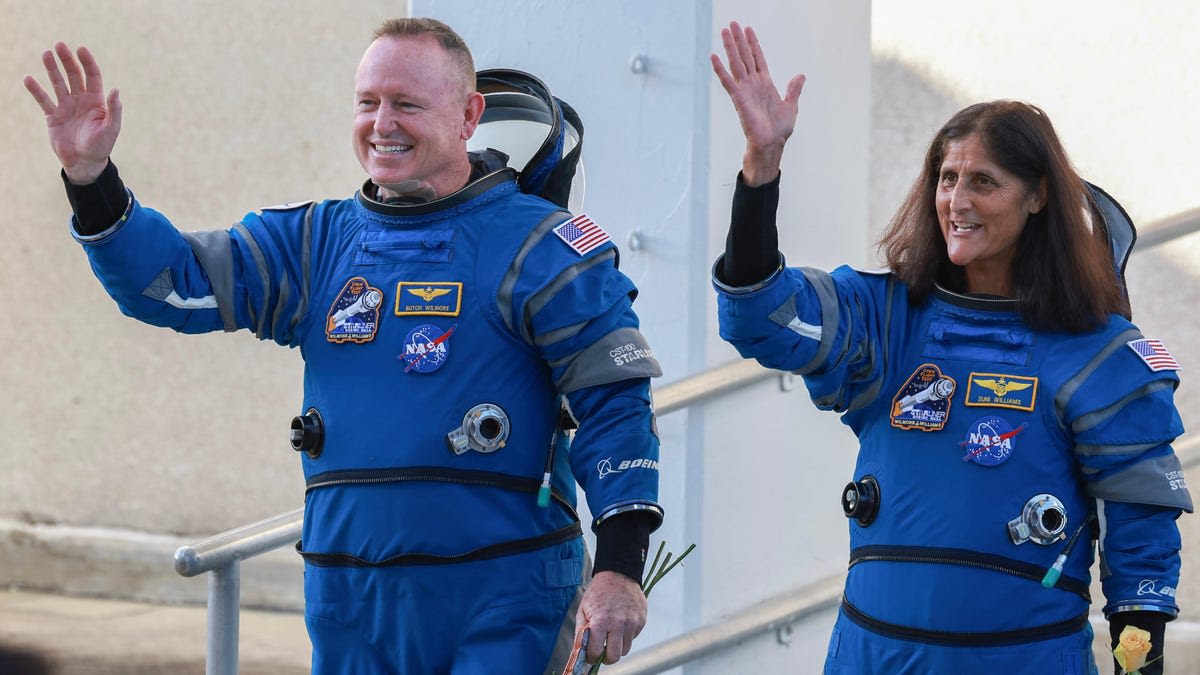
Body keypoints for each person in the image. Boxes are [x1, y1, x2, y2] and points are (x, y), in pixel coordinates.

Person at [25, 17, 663, 674]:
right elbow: (172, 284)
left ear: (469, 115)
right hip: (351, 602)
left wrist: (618, 568)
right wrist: (92, 177)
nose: (382, 123)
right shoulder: (316, 244)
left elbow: (615, 404)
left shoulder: (542, 247)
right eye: (368, 102)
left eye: (407, 104)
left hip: (507, 600)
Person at [709, 21, 1191, 675]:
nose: (956, 201)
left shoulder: (1097, 353)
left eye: (983, 182)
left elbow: (1142, 563)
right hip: (873, 657)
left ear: (1038, 196)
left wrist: (1139, 667)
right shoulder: (885, 319)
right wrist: (761, 167)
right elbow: (760, 316)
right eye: (946, 178)